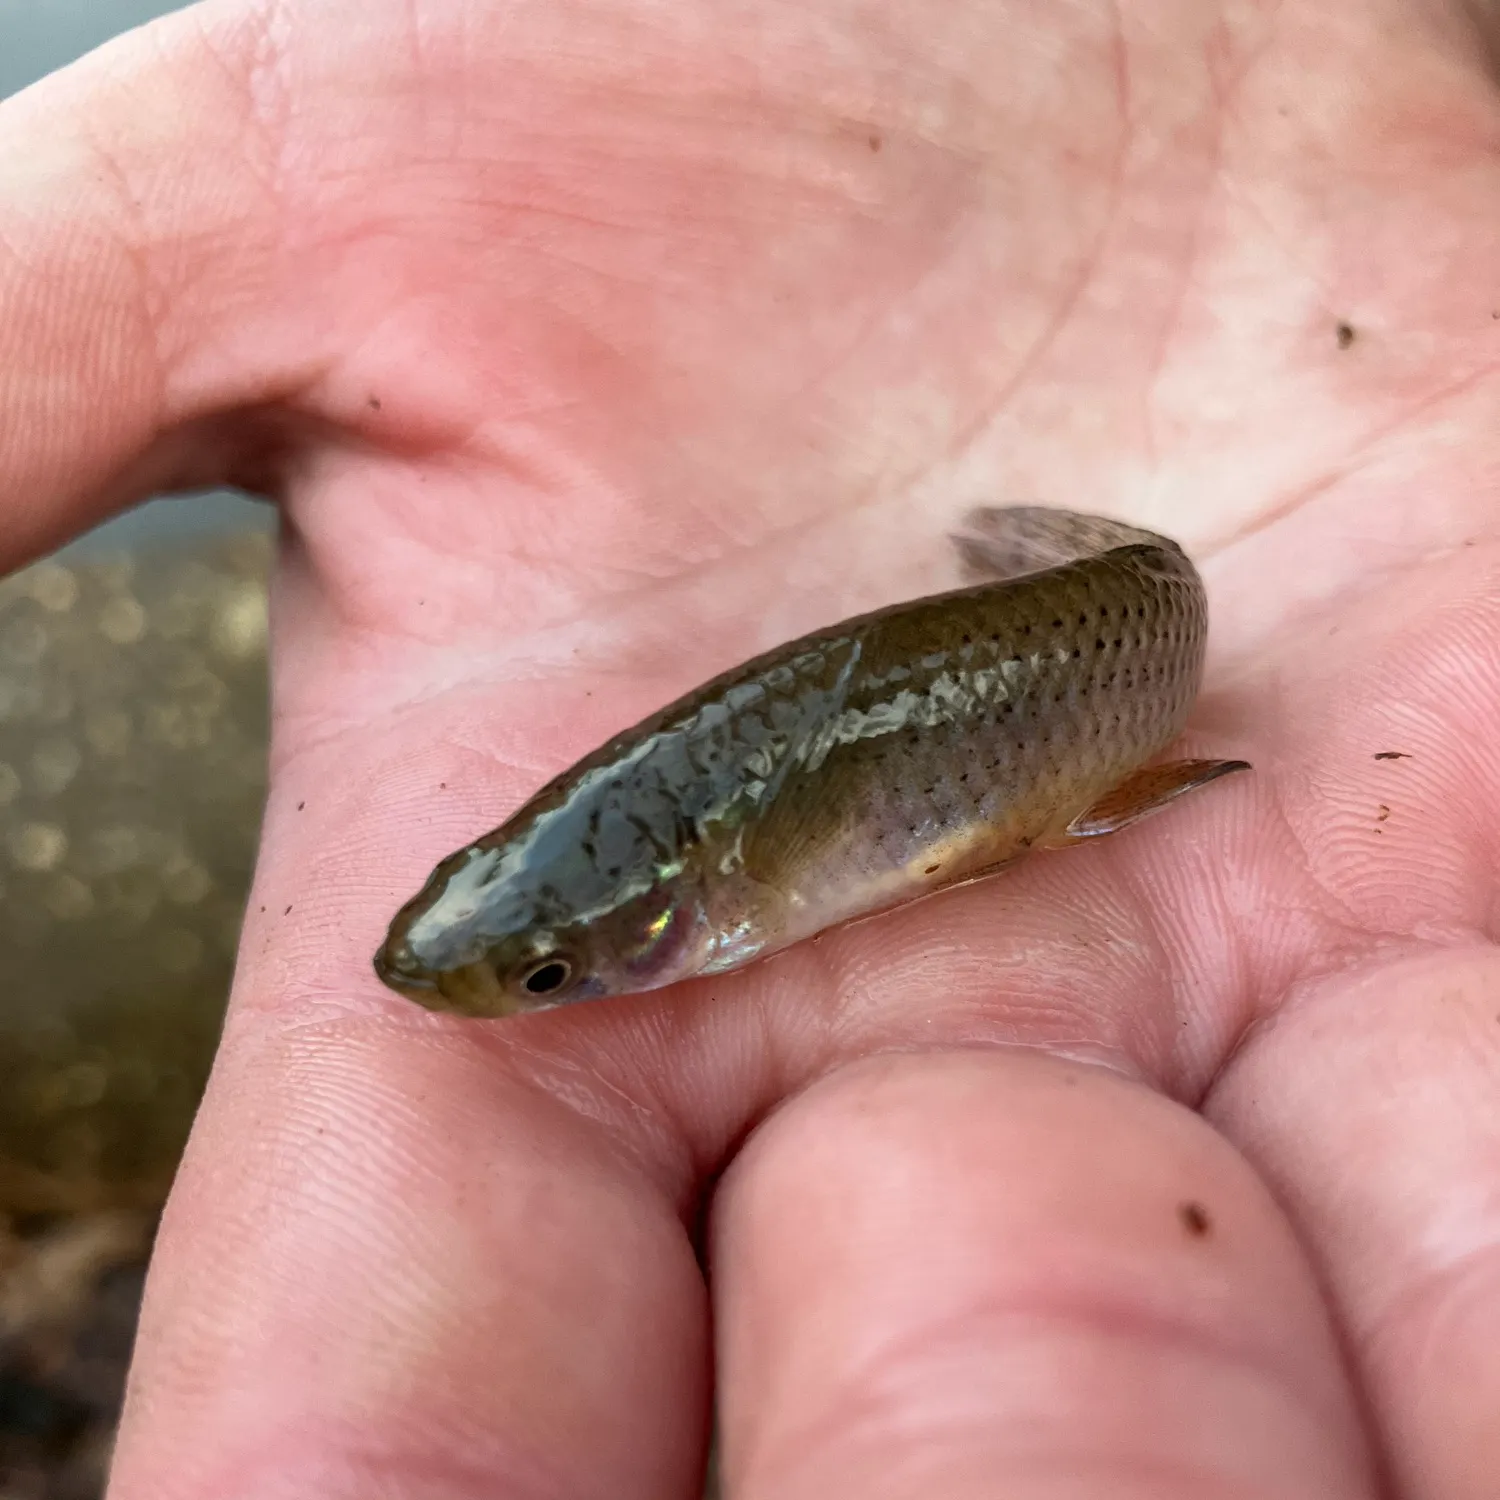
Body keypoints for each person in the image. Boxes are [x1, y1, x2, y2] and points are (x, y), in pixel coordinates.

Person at [4, 1, 1497, 1494]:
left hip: (1127, 633)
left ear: (662, 908)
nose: (545, 991)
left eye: (546, 972)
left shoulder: (1109, 635)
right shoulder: (681, 862)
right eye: (543, 967)